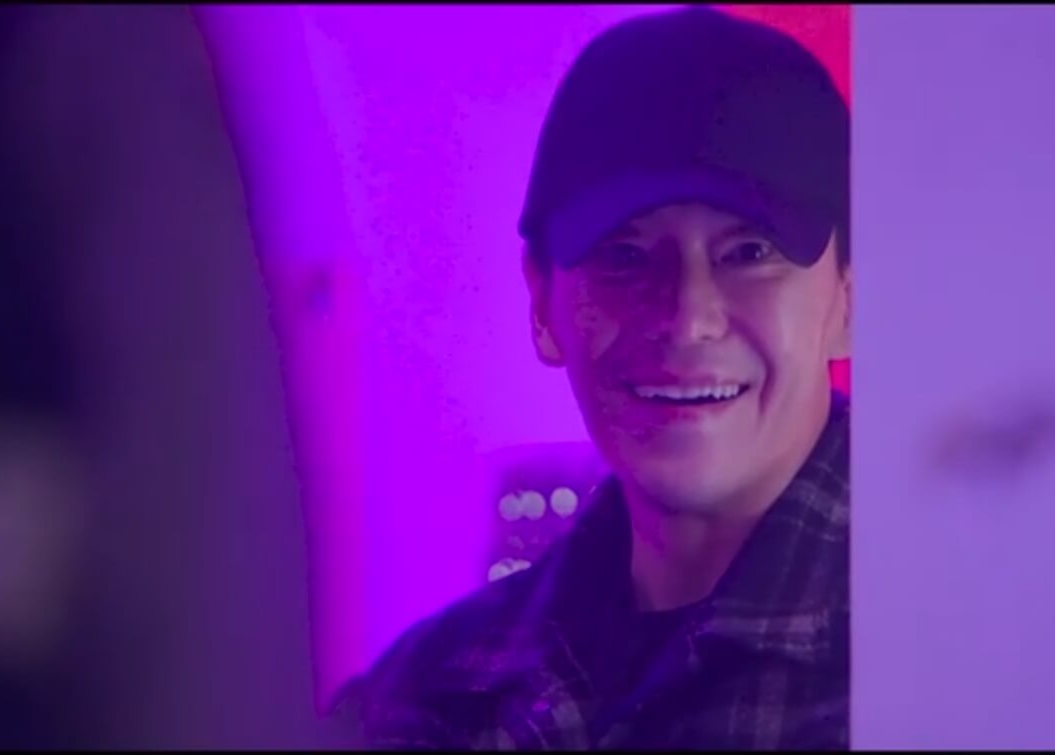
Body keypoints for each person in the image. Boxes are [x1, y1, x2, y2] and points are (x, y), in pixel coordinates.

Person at [341, 6, 852, 750]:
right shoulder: (425, 697)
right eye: (624, 255)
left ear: (851, 298)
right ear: (542, 303)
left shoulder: (963, 658)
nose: (686, 317)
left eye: (749, 252)